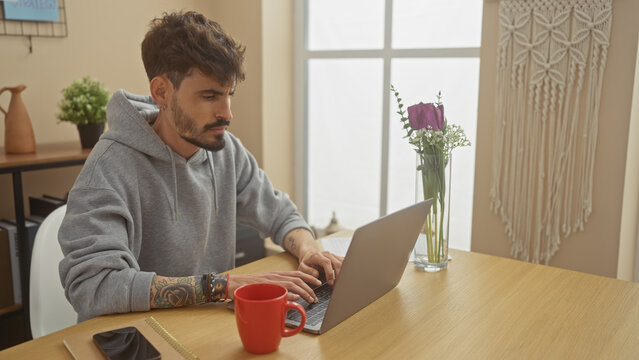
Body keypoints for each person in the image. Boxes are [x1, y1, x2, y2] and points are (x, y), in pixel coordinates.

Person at [58, 11, 343, 322]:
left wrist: (308, 249)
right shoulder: (108, 168)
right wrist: (222, 286)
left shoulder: (226, 150)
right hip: (135, 337)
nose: (226, 113)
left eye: (228, 95)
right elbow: (94, 285)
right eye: (210, 96)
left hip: (205, 324)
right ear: (161, 92)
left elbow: (281, 214)